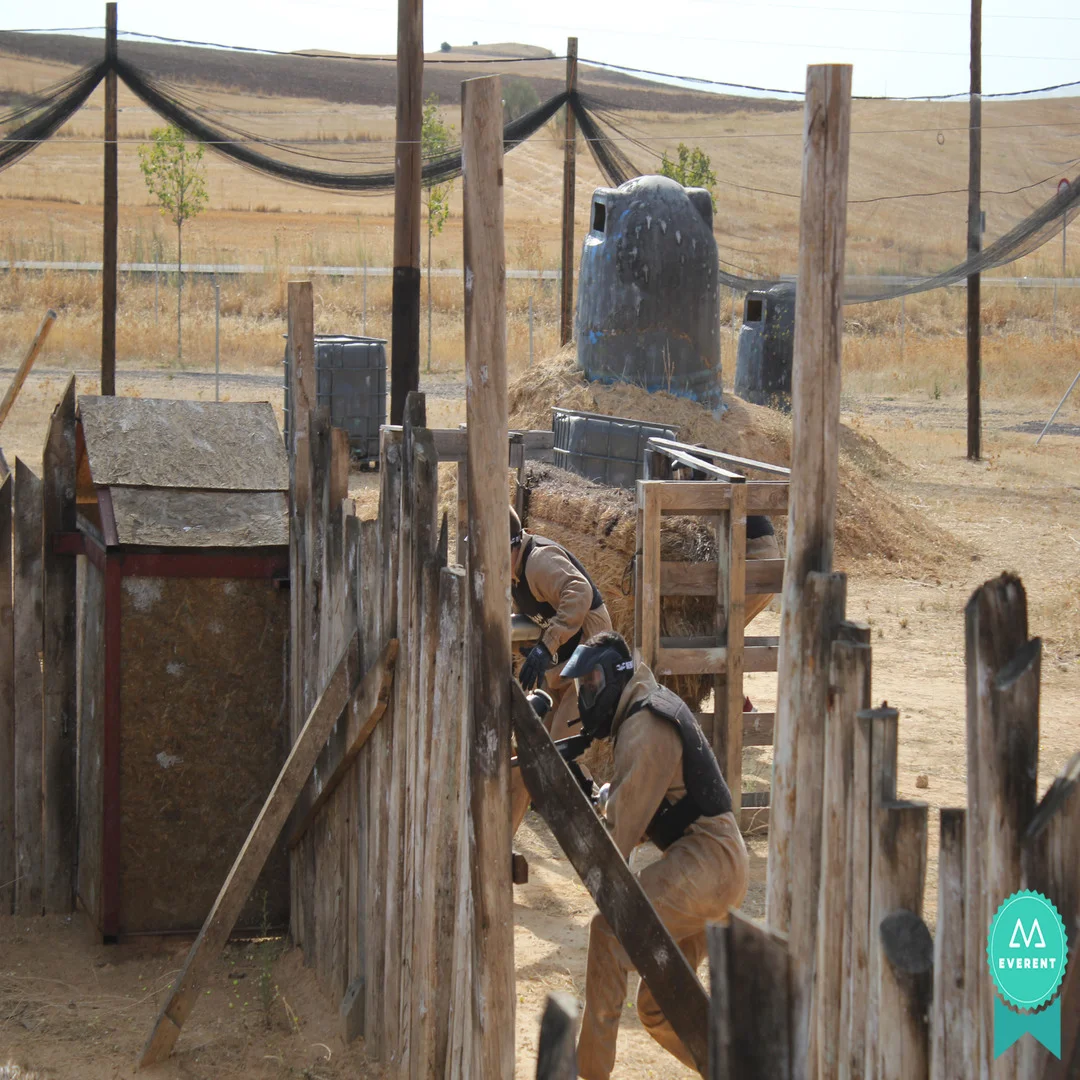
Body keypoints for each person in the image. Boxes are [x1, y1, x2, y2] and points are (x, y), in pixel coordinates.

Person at [560, 629, 749, 1080]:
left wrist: (589, 813)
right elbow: (650, 807)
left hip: (707, 862)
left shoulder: (643, 726)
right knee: (660, 1007)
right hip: (714, 864)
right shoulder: (644, 710)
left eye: (591, 684)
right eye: (581, 687)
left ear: (617, 675)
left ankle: (588, 1074)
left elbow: (615, 845)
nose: (586, 697)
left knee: (609, 935)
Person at [509, 506, 612, 834]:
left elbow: (578, 592)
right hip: (564, 667)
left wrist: (545, 645)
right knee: (535, 749)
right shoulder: (515, 575)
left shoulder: (537, 562)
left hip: (590, 662)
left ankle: (602, 825)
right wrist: (528, 649)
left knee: (560, 752)